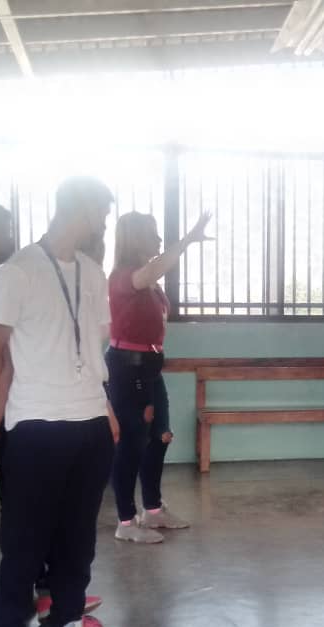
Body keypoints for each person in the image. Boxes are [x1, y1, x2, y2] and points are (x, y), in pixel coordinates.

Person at [0, 177, 117, 627]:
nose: (103, 224)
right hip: (36, 426)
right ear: (78, 209)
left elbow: (92, 351)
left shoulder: (93, 272)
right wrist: (7, 405)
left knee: (78, 542)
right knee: (25, 544)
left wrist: (105, 410)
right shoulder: (18, 271)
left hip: (89, 424)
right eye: (100, 213)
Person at [108, 210, 211, 543]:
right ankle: (126, 521)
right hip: (128, 368)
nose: (158, 239)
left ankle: (152, 510)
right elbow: (155, 269)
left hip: (150, 367)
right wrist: (188, 239)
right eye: (152, 233)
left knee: (160, 436)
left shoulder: (149, 283)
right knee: (131, 443)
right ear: (136, 239)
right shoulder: (124, 276)